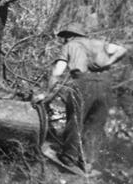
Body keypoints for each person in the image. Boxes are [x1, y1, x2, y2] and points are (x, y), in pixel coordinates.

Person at [34, 23, 128, 170]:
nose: (64, 40)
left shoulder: (69, 46)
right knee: (96, 123)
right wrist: (109, 61)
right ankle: (87, 161)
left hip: (82, 83)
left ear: (71, 36)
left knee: (76, 120)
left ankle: (69, 157)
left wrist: (47, 94)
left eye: (65, 37)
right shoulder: (99, 43)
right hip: (105, 84)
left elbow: (57, 73)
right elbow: (122, 49)